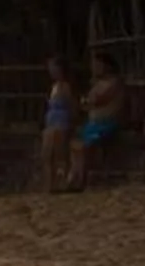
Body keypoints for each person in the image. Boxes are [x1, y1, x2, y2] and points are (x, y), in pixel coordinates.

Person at [67, 51, 129, 191]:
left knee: (84, 147)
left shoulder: (114, 82)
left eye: (98, 65)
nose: (95, 68)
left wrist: (88, 101)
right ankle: (74, 178)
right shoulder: (98, 84)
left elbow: (95, 100)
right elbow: (87, 102)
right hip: (94, 124)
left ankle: (80, 181)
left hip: (107, 124)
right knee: (75, 145)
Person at [39, 56, 77, 192]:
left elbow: (71, 105)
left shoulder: (65, 86)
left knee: (60, 153)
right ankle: (49, 183)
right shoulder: (53, 87)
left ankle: (61, 183)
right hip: (52, 119)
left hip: (61, 120)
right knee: (47, 154)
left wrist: (73, 121)